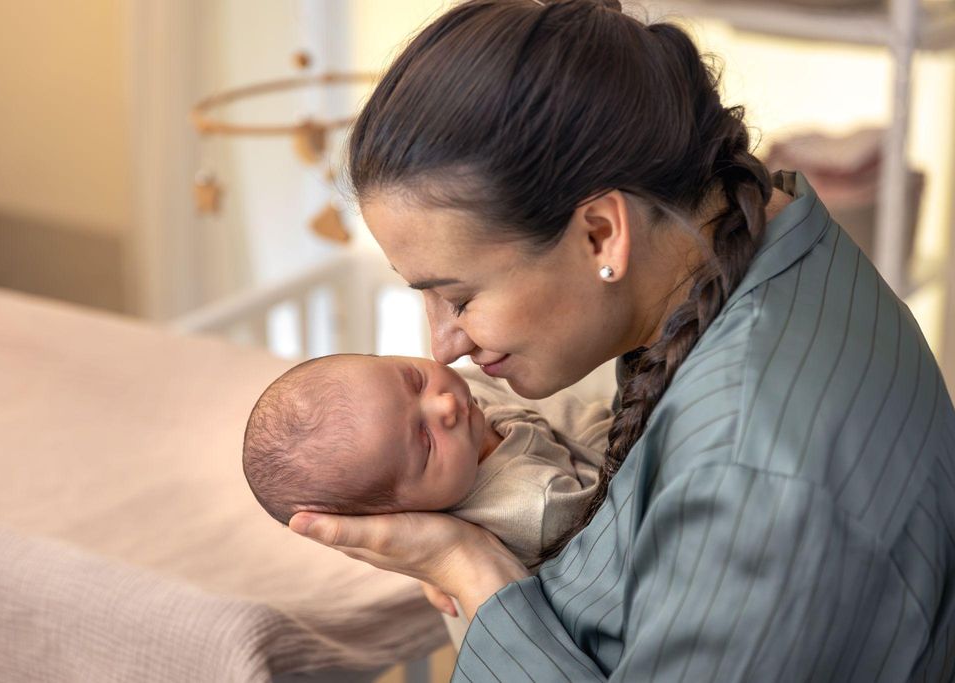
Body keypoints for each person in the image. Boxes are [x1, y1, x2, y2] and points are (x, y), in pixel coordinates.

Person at [286, 0, 955, 679]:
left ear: (602, 233)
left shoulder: (750, 470)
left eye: (460, 296)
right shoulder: (763, 245)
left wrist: (466, 568)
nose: (443, 347)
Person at [241, 353, 611, 571]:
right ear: (400, 514)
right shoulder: (537, 508)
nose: (445, 404)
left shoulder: (466, 401)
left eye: (415, 380)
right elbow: (622, 479)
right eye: (425, 439)